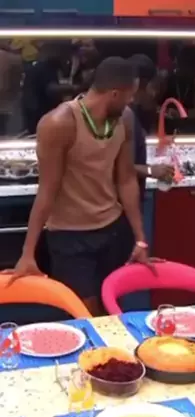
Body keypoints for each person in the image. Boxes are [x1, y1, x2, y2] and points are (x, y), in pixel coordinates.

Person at [8, 57, 151, 316]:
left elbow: (126, 179)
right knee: (84, 314)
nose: (131, 102)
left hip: (113, 230)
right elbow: (47, 190)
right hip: (69, 237)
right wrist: (28, 253)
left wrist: (140, 239)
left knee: (111, 310)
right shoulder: (59, 124)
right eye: (129, 96)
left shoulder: (125, 119)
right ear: (115, 93)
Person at [128, 54, 174, 198]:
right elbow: (115, 166)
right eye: (154, 86)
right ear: (140, 84)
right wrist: (150, 170)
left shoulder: (134, 112)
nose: (155, 94)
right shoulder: (124, 116)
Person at [22, 41, 80, 134]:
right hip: (39, 114)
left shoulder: (42, 67)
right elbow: (51, 89)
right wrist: (76, 88)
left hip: (36, 114)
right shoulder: (46, 67)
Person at [158, 45, 195, 128]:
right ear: (178, 64)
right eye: (186, 68)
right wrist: (165, 111)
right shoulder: (165, 81)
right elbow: (151, 107)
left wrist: (190, 112)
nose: (191, 73)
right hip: (166, 129)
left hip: (190, 132)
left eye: (194, 69)